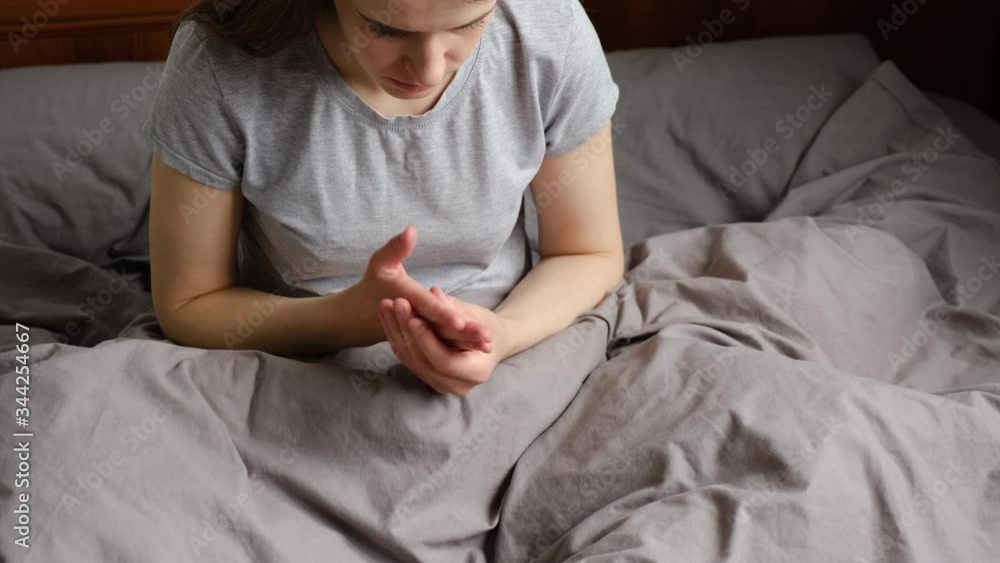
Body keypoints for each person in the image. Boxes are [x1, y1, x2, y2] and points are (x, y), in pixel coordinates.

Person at [146, 0, 624, 395]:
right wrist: (348, 319)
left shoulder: (551, 30)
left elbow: (589, 253)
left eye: (469, 24)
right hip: (294, 365)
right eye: (385, 29)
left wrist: (502, 336)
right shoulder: (218, 61)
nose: (430, 69)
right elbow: (190, 304)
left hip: (513, 343)